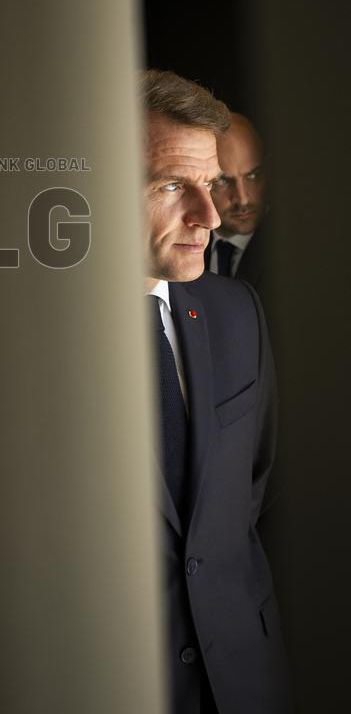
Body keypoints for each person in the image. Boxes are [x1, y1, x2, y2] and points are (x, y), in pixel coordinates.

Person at [141, 70, 290, 713]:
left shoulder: (237, 311)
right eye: (175, 185)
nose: (210, 215)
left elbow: (249, 494)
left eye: (210, 184)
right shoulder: (36, 350)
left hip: (243, 680)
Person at [205, 113, 266, 294]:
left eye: (253, 176)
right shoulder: (182, 243)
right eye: (224, 181)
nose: (242, 199)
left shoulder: (292, 250)